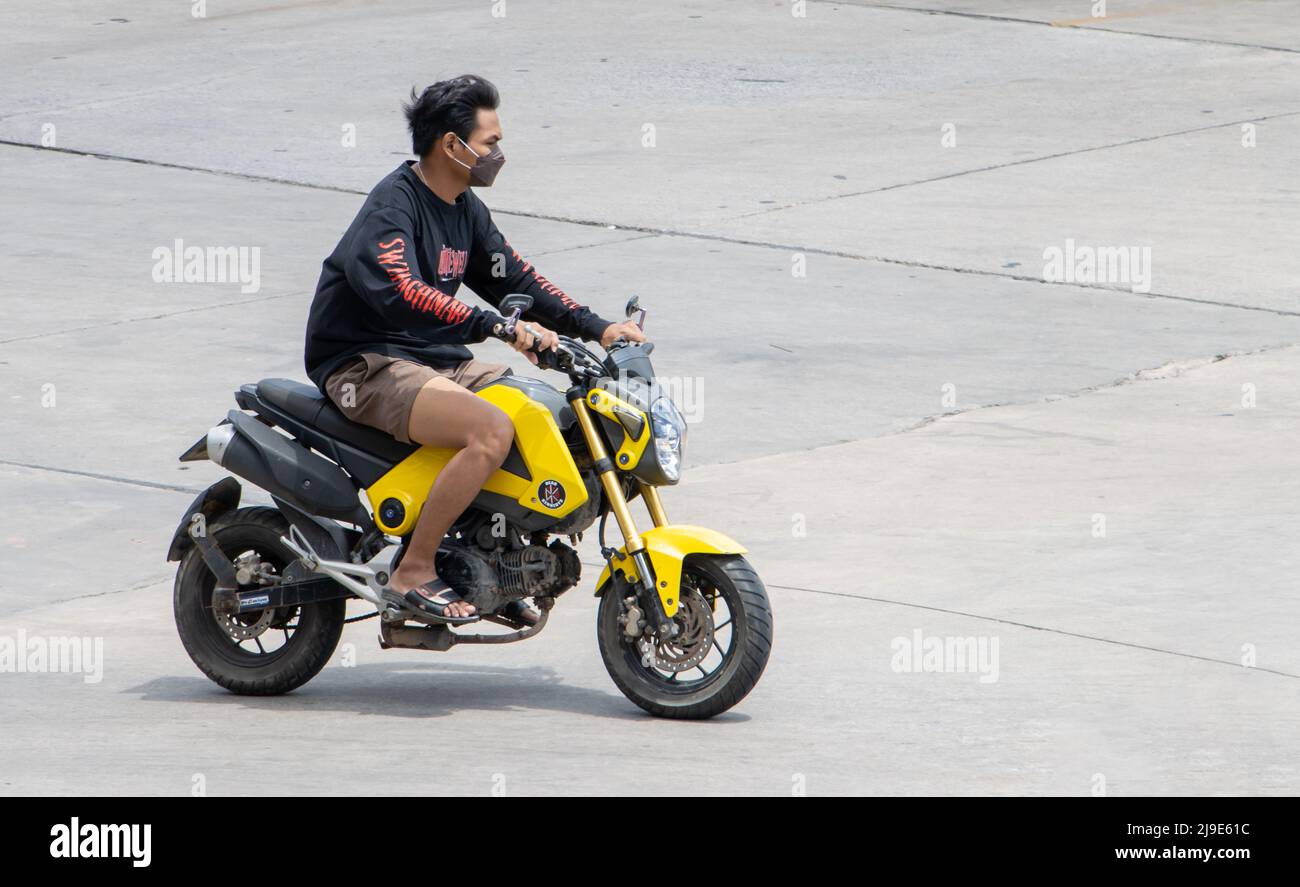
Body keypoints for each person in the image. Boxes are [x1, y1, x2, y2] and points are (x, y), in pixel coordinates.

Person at [304, 75, 645, 623]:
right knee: (489, 430)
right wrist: (497, 326)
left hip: (432, 359)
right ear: (451, 145)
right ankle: (413, 569)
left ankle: (493, 556)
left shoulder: (463, 207)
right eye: (490, 143)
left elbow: (516, 277)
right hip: (365, 362)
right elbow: (403, 294)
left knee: (544, 414)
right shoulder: (392, 207)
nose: (498, 155)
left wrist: (597, 327)